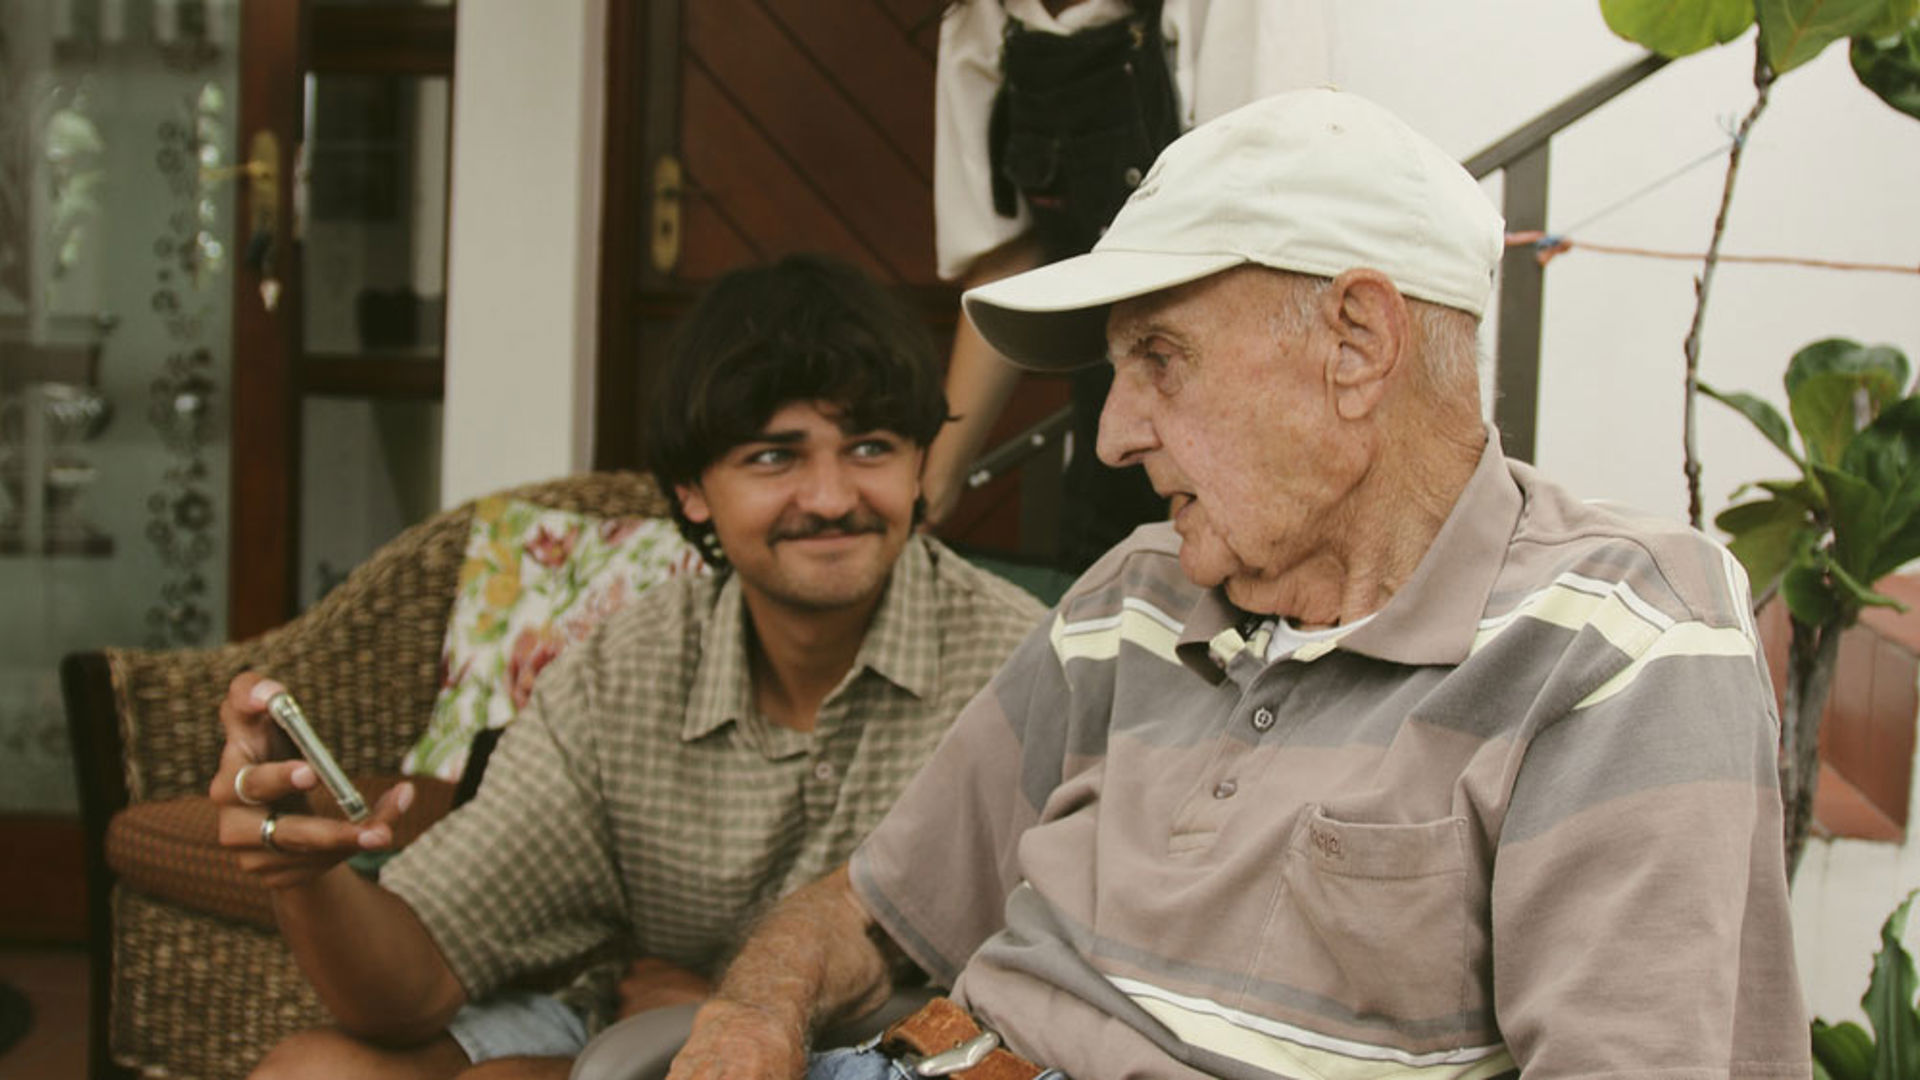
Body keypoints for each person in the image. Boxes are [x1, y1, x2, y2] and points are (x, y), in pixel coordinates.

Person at [662, 90, 1809, 1079]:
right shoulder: (1133, 597)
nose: (1111, 435)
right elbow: (875, 909)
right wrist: (753, 1009)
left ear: (1357, 342)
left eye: (1159, 358)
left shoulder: (1616, 640)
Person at [209, 254, 1047, 1080]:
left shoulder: (1028, 669)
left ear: (917, 466)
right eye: (773, 457)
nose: (830, 497)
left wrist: (733, 1004)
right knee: (314, 1070)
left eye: (869, 448)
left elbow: (1063, 995)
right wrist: (306, 875)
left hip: (911, 1054)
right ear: (692, 492)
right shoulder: (623, 673)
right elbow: (414, 984)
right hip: (632, 1029)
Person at [919, 0, 1328, 570]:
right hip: (1109, 429)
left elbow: (1264, 238)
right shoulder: (980, 19)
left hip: (1242, 423)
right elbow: (1008, 259)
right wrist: (932, 486)